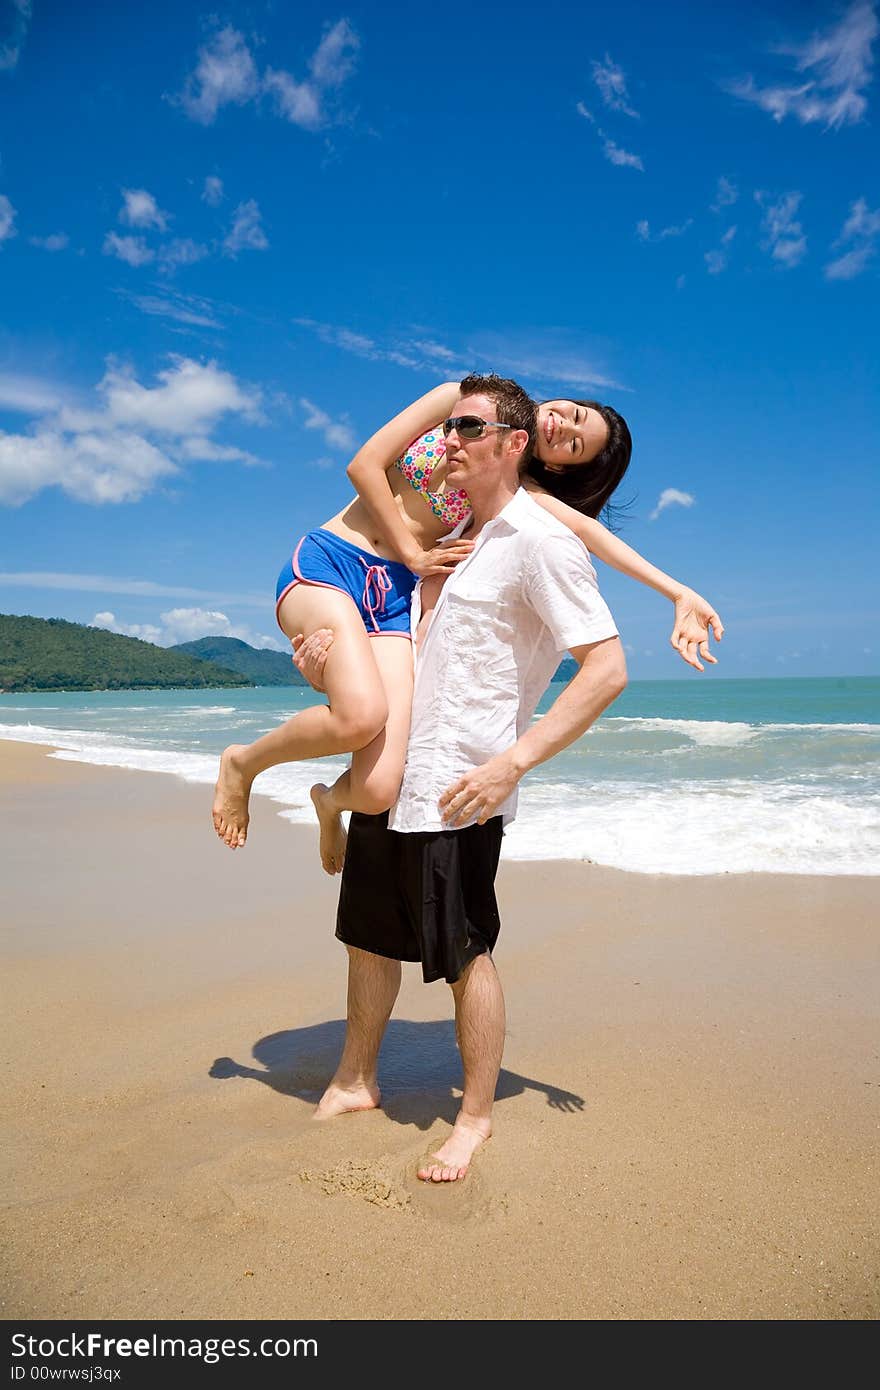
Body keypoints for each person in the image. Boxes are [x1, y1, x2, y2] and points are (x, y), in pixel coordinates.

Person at [304, 374, 626, 1183]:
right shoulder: (451, 542)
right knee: (370, 936)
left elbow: (607, 667)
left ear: (514, 445)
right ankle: (356, 1079)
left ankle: (474, 1118)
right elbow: (388, 658)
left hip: (462, 786)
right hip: (402, 766)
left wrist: (514, 762)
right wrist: (317, 666)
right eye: (449, 425)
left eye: (469, 427)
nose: (449, 437)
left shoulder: (541, 542)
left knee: (467, 953)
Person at [211, 379, 722, 856]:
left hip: (393, 601)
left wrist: (677, 593)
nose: (562, 425)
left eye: (572, 443)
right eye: (574, 414)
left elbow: (594, 537)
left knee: (377, 789)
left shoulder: (519, 493)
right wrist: (413, 552)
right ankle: (243, 762)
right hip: (333, 560)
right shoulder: (460, 400)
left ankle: (329, 801)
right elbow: (364, 465)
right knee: (360, 716)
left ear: (558, 465)